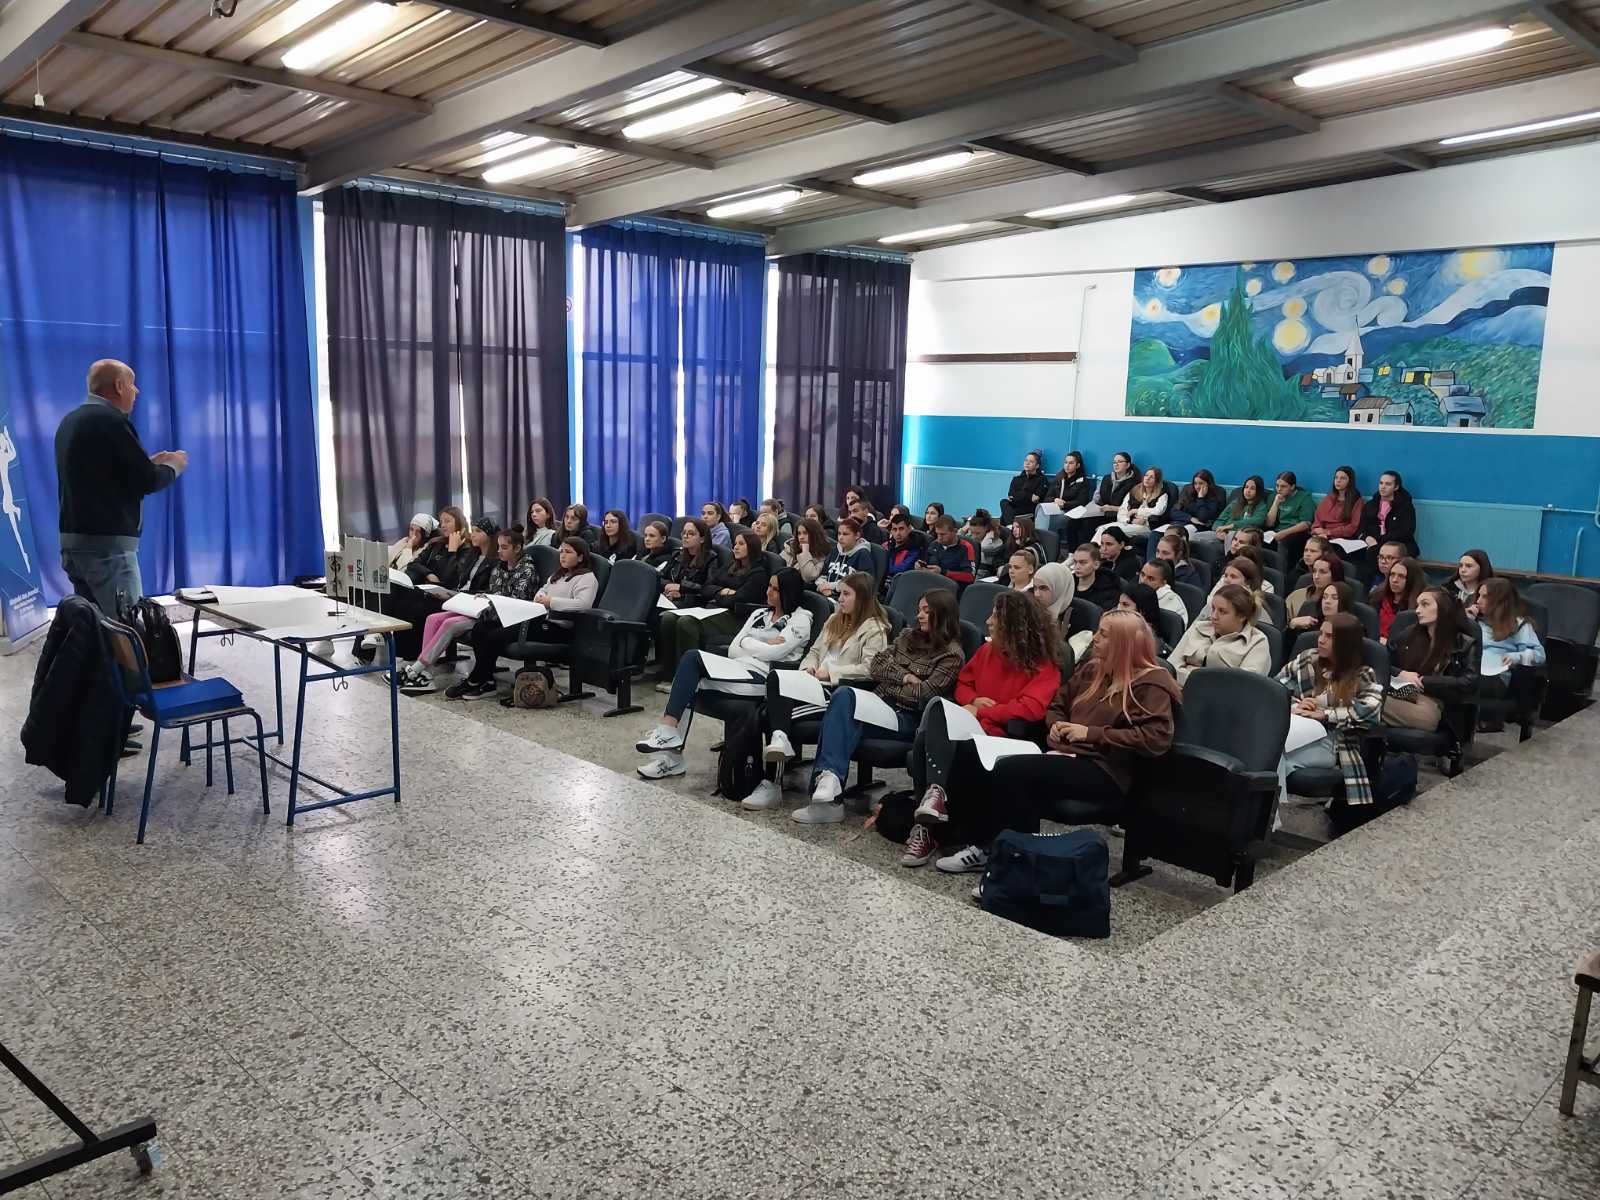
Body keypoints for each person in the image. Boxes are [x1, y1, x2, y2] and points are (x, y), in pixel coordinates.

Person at [921, 610, 1180, 872]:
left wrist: (1089, 733)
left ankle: (1017, 864)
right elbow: (1058, 704)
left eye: (1104, 634)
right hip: (1066, 754)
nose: (1095, 638)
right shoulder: (1094, 669)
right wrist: (1056, 723)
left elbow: (1155, 738)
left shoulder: (1153, 683)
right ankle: (973, 841)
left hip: (1104, 769)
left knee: (1013, 770)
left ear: (1123, 643)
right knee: (971, 751)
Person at [901, 592, 1063, 863]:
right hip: (972, 724)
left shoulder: (1044, 666)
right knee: (926, 735)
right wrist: (974, 701)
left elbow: (1031, 708)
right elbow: (964, 683)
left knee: (948, 745)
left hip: (1003, 736)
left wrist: (984, 711)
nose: (988, 621)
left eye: (995, 617)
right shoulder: (988, 650)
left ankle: (931, 822)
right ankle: (929, 815)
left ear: (1013, 625)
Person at [795, 591, 964, 823]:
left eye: (926, 611)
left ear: (942, 614)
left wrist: (891, 681)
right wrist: (905, 677)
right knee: (843, 698)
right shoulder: (907, 635)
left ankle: (829, 800)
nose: (919, 615)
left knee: (840, 716)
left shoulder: (952, 655)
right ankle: (830, 781)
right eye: (919, 610)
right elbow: (876, 665)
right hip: (880, 705)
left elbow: (924, 695)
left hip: (906, 718)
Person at [635, 569, 813, 780]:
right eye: (769, 586)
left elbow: (774, 654)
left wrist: (748, 642)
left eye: (775, 589)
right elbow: (734, 649)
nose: (768, 592)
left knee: (691, 674)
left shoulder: (801, 619)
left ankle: (670, 751)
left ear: (788, 593)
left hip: (764, 679)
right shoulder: (759, 614)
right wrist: (760, 644)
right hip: (737, 667)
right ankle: (669, 741)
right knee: (690, 666)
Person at [55, 359, 188, 615]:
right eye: (132, 384)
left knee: (94, 627)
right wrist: (174, 465)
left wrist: (148, 463)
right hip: (108, 550)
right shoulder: (111, 421)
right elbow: (147, 481)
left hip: (74, 543)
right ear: (118, 386)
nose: (136, 391)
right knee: (128, 628)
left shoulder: (71, 421)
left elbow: (100, 475)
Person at [753, 572, 891, 807]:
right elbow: (815, 652)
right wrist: (808, 667)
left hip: (838, 693)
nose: (840, 599)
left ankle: (772, 783)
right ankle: (779, 745)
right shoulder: (835, 619)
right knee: (776, 679)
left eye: (846, 594)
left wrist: (831, 673)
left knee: (769, 716)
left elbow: (870, 670)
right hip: (813, 684)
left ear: (862, 598)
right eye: (840, 593)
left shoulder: (875, 629)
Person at [445, 535, 597, 700]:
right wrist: (541, 597)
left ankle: (475, 680)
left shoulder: (587, 578)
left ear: (580, 557)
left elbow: (583, 604)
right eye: (561, 552)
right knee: (481, 628)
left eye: (568, 552)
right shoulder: (558, 574)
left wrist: (551, 601)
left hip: (559, 628)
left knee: (494, 636)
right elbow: (543, 590)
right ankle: (486, 681)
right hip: (540, 619)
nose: (563, 555)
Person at [399, 526, 537, 695]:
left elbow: (516, 603)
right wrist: (481, 597)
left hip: (500, 615)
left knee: (451, 624)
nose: (499, 551)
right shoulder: (500, 566)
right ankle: (424, 671)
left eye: (504, 547)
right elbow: (493, 591)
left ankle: (417, 669)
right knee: (433, 618)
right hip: (483, 608)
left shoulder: (526, 570)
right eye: (499, 546)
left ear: (517, 548)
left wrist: (485, 599)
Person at [1276, 612, 1383, 811]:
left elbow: (1371, 711)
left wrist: (1326, 714)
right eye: (1321, 634)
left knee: (1272, 755)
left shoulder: (1362, 674)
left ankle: (1267, 818)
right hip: (1294, 732)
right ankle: (1268, 817)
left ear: (1345, 643)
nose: (1321, 640)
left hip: (1333, 743)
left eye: (1329, 636)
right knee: (1267, 751)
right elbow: (1275, 689)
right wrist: (1296, 705)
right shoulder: (1307, 659)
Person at [654, 530, 773, 685]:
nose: (736, 547)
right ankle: (669, 674)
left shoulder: (758, 574)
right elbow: (706, 587)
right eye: (735, 544)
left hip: (736, 617)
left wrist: (717, 594)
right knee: (668, 618)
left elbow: (735, 600)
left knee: (687, 623)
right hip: (714, 609)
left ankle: (689, 679)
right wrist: (723, 591)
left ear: (751, 547)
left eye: (741, 544)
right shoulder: (731, 565)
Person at [1383, 587, 1480, 732]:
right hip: (1402, 693)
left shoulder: (1463, 644)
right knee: (1370, 699)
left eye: (1425, 604)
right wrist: (1401, 673)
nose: (1417, 610)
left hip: (1436, 704)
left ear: (1443, 608)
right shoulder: (1410, 633)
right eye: (1417, 605)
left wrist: (1425, 681)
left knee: (1370, 702)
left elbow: (1469, 682)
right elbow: (1383, 661)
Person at [1167, 584, 1269, 686]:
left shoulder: (1257, 642)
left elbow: (1242, 685)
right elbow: (1171, 666)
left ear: (1242, 616)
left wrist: (1195, 680)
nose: (1214, 616)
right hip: (1178, 689)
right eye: (1213, 609)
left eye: (1222, 611)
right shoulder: (1198, 627)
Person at [654, 518, 717, 673]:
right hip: (673, 599)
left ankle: (678, 669)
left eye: (691, 534)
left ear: (702, 538)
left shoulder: (711, 558)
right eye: (684, 533)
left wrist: (682, 588)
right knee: (653, 610)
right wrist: (668, 586)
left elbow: (708, 588)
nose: (685, 536)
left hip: (696, 602)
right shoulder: (678, 554)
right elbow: (660, 577)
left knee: (667, 618)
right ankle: (665, 667)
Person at [1475, 578, 1546, 696]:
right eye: (1479, 595)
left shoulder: (1518, 625)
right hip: (1472, 670)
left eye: (1485, 597)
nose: (1478, 601)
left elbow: (1539, 655)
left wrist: (1516, 657)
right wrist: (1465, 622)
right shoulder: (1476, 621)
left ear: (1499, 601)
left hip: (1497, 677)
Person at [1064, 450, 1137, 549]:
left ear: (1127, 465)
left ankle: (1088, 553)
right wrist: (1090, 507)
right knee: (1073, 521)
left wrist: (1112, 508)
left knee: (1088, 524)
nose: (1116, 464)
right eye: (1114, 462)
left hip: (1117, 515)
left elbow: (1131, 508)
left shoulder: (1133, 483)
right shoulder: (1106, 478)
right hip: (1102, 512)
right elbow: (1097, 497)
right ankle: (1072, 553)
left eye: (1120, 462)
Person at [1357, 470, 1418, 556]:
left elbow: (1405, 532)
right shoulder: (1370, 505)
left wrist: (1378, 541)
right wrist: (1366, 538)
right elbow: (1360, 529)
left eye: (1388, 484)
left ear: (1396, 487)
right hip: (1372, 543)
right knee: (1346, 551)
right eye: (1381, 483)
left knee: (1373, 552)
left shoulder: (1405, 506)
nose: (1383, 487)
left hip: (1398, 545)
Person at [1265, 471, 1315, 568]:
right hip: (1277, 531)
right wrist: (1276, 503)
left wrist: (1285, 532)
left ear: (1292, 487)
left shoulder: (1304, 498)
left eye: (1283, 486)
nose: (1279, 489)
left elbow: (1306, 524)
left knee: (1284, 542)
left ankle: (1281, 573)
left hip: (1296, 532)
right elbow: (1269, 523)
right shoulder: (1274, 496)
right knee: (1257, 537)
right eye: (1277, 485)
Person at [1035, 450, 1091, 532]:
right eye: (1065, 462)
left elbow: (1082, 502)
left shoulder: (1083, 481)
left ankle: (1044, 537)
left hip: (1070, 512)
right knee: (1041, 509)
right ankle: (1039, 536)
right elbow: (1047, 498)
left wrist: (1064, 504)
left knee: (1051, 519)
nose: (1067, 465)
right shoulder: (1059, 478)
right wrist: (1055, 500)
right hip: (1055, 508)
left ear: (1078, 465)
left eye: (1071, 463)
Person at [817, 517, 873, 598]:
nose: (840, 537)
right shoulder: (835, 550)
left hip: (846, 599)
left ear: (857, 535)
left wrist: (832, 586)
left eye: (845, 534)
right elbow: (823, 575)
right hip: (826, 593)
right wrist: (821, 586)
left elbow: (862, 584)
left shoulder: (863, 554)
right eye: (839, 533)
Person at [1373, 555, 1424, 642]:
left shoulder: (1418, 608)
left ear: (1411, 579)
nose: (1394, 580)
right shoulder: (1377, 597)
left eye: (1401, 576)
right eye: (1392, 574)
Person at [1288, 558, 1348, 632]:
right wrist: (1292, 624)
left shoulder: (1350, 623)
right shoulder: (1308, 607)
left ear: (1335, 575)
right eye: (1314, 571)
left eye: (1323, 572)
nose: (1316, 576)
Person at [1108, 466, 1168, 539]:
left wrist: (1137, 511)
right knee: (1102, 529)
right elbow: (1122, 509)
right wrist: (1129, 520)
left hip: (1146, 527)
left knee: (1109, 532)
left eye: (1152, 477)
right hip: (1129, 523)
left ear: (1157, 481)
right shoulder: (1134, 491)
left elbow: (1158, 511)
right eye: (1146, 475)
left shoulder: (1162, 495)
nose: (1147, 478)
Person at [1209, 475, 1268, 546]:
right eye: (1246, 487)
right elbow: (1220, 519)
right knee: (1198, 537)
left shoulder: (1261, 506)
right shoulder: (1235, 503)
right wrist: (1218, 530)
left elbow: (1257, 521)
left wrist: (1231, 526)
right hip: (1221, 533)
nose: (1248, 491)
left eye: (1252, 488)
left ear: (1258, 491)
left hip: (1239, 537)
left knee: (1229, 537)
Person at [918, 515, 976, 584]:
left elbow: (970, 577)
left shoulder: (966, 547)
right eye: (937, 534)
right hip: (930, 582)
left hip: (951, 586)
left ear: (955, 531)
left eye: (943, 534)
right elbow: (925, 562)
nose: (939, 538)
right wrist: (920, 566)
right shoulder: (934, 544)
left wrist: (943, 572)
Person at [1116, 581, 1169, 654]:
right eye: (1119, 603)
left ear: (1142, 611)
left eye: (1125, 605)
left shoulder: (1149, 642)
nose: (1118, 609)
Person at [1312, 467, 1364, 543]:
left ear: (1350, 481)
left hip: (1342, 538)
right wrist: (1317, 532)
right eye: (1336, 477)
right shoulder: (1329, 497)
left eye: (1343, 478)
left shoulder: (1357, 501)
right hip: (1323, 536)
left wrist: (1329, 532)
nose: (1338, 480)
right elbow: (1318, 519)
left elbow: (1353, 527)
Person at [1211, 556, 1267, 624]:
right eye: (1226, 576)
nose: (1226, 580)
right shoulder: (1218, 597)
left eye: (1233, 577)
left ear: (1248, 582)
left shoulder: (1254, 606)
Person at [1030, 560, 1076, 641]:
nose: (1037, 594)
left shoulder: (1078, 616)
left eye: (1043, 588)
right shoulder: (1030, 610)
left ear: (1059, 588)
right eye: (1035, 588)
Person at [1166, 469, 1222, 534]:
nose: (1197, 487)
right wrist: (1190, 518)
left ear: (1208, 484)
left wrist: (1201, 498)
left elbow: (1203, 518)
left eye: (1201, 483)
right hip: (1180, 522)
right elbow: (1173, 512)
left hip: (1197, 526)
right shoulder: (1188, 491)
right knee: (1157, 533)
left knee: (1174, 534)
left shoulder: (1214, 498)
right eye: (1195, 483)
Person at [1001, 449, 1049, 524]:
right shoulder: (1017, 479)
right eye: (1026, 460)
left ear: (1037, 466)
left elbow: (1036, 499)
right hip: (1016, 505)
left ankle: (1010, 526)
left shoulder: (1042, 479)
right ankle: (1011, 526)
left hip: (1029, 508)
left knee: (1004, 517)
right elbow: (1011, 495)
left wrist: (1019, 495)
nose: (1027, 463)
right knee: (1003, 501)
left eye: (1031, 461)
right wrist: (1029, 496)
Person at [1070, 542, 1120, 611]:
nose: (1077, 567)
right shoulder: (1067, 584)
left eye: (1083, 563)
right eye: (1075, 562)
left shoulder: (1107, 590)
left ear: (1096, 565)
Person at [783, 518, 833, 585]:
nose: (801, 537)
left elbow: (808, 577)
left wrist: (805, 552)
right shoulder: (790, 547)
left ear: (814, 535)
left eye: (805, 533)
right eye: (799, 533)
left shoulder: (822, 556)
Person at [1138, 559, 1187, 624]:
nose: (1143, 581)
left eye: (1151, 578)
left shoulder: (1172, 605)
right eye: (1142, 575)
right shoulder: (1138, 591)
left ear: (1163, 583)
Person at [996, 516, 1043, 584]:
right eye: (1013, 528)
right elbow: (997, 558)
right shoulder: (1011, 542)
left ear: (1026, 528)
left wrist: (1018, 546)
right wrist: (1000, 566)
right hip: (1005, 577)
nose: (1014, 530)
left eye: (1018, 527)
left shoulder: (1033, 547)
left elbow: (1020, 564)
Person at [883, 513, 924, 590]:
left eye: (901, 529)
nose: (898, 533)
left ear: (909, 529)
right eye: (895, 529)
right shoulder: (887, 545)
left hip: (902, 586)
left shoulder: (914, 549)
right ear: (891, 531)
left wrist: (884, 566)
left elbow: (901, 569)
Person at [965, 508, 1010, 575]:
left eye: (977, 533)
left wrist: (990, 533)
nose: (974, 536)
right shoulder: (971, 537)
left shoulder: (996, 541)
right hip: (968, 568)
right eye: (972, 532)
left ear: (986, 528)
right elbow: (958, 540)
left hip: (982, 571)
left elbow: (984, 547)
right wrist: (964, 529)